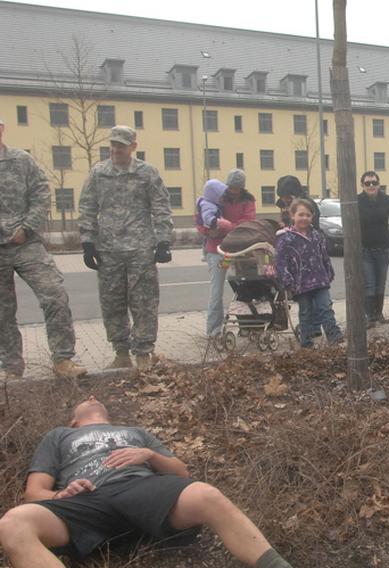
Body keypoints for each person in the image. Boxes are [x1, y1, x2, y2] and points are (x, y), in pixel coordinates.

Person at [0, 396, 293, 568]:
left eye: (95, 398)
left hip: (141, 490)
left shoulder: (135, 431)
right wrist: (62, 494)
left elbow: (181, 474)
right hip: (85, 500)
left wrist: (150, 454)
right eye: (83, 399)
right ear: (74, 421)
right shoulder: (59, 435)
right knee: (11, 524)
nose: (91, 397)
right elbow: (33, 493)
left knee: (208, 495)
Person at [78, 126, 173, 369]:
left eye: (121, 144)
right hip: (108, 250)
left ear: (133, 146)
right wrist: (88, 242)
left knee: (144, 302)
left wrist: (163, 241)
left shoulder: (147, 173)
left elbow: (161, 207)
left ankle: (143, 352)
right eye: (112, 144)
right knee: (112, 303)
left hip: (140, 249)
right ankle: (121, 352)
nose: (115, 149)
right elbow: (88, 206)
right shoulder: (99, 173)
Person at [0, 118, 86, 380]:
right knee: (2, 311)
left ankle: (63, 360)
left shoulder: (21, 160)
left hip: (25, 243)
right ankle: (11, 367)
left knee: (55, 294)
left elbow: (40, 194)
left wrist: (27, 227)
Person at [196, 170, 256, 340]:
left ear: (242, 188)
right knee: (216, 292)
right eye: (230, 187)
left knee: (244, 288)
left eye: (236, 188)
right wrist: (209, 230)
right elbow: (201, 220)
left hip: (239, 249)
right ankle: (214, 330)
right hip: (217, 250)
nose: (233, 191)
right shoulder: (217, 198)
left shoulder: (248, 200)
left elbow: (248, 222)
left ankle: (247, 325)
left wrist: (228, 226)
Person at [275, 199, 342, 347]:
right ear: (293, 216)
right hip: (300, 284)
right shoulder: (286, 239)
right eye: (300, 214)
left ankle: (334, 337)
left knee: (325, 308)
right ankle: (306, 343)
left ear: (312, 217)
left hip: (320, 280)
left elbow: (324, 256)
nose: (304, 218)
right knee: (305, 313)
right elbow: (280, 262)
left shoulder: (317, 236)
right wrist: (287, 281)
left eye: (308, 215)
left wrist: (329, 271)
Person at [358, 171, 389, 326]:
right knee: (369, 283)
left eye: (373, 183)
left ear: (379, 184)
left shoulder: (387, 200)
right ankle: (370, 317)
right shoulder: (357, 201)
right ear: (362, 185)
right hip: (364, 249)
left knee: (380, 283)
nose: (371, 186)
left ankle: (379, 314)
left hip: (383, 248)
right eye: (367, 183)